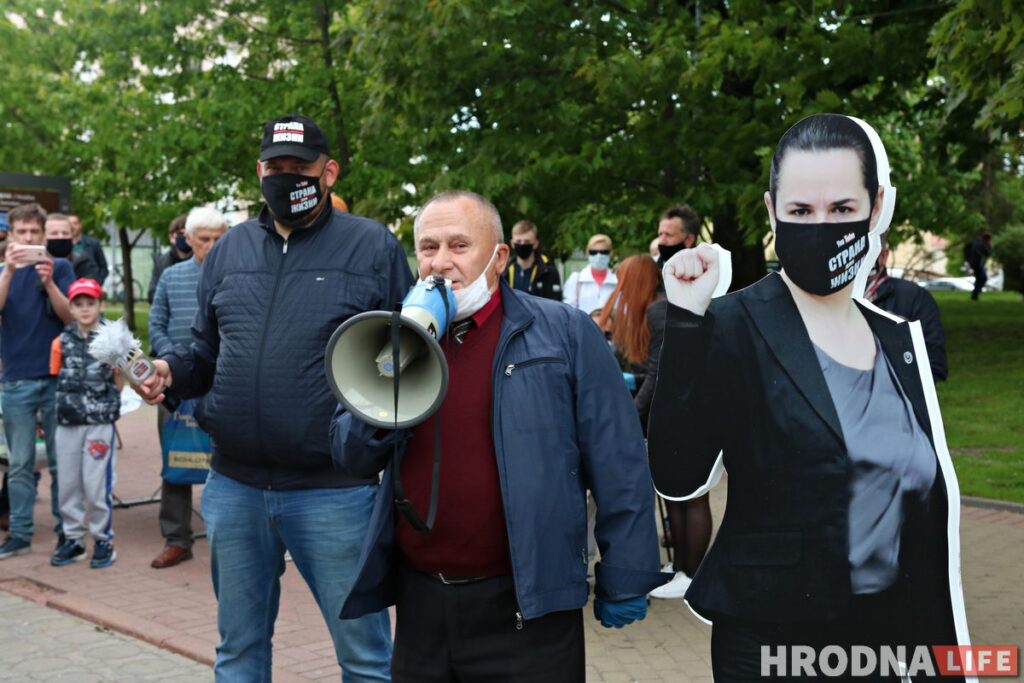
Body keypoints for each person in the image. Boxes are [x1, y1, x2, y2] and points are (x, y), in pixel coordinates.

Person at [649, 114, 972, 680]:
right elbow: (677, 473)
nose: (821, 226)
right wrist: (686, 320)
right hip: (774, 643)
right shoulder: (729, 324)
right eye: (801, 211)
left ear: (875, 209)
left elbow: (924, 504)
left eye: (842, 209)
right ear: (773, 211)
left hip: (891, 644)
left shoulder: (898, 340)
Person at [332, 191, 668, 683]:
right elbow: (349, 453)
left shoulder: (564, 334)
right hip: (423, 603)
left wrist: (628, 572)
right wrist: (393, 365)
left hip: (526, 605)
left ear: (500, 256)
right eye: (427, 248)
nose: (440, 263)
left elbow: (618, 461)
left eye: (459, 245)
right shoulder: (390, 337)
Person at [134, 114, 411, 681]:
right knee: (238, 653)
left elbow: (402, 358)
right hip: (234, 488)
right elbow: (204, 351)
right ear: (259, 171)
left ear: (328, 172)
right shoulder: (231, 250)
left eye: (300, 167)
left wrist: (367, 441)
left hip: (333, 492)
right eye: (275, 167)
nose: (286, 178)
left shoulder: (371, 245)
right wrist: (168, 370)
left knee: (365, 659)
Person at [147, 206, 229, 569]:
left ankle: (227, 535)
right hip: (176, 382)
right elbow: (156, 323)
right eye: (204, 239)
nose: (211, 246)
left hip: (224, 383)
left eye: (218, 239)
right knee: (175, 459)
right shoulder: (172, 276)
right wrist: (172, 364)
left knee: (227, 459)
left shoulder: (237, 277)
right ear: (188, 239)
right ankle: (177, 538)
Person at [0, 203, 74, 560]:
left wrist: (48, 283)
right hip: (16, 379)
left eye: (34, 233)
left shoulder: (59, 267)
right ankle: (20, 533)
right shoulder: (4, 270)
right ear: (11, 236)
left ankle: (66, 531)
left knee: (62, 462)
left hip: (57, 376)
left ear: (43, 235)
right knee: (20, 464)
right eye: (21, 233)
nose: (28, 239)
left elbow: (71, 316)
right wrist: (9, 272)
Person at [49, 278, 122, 568]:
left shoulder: (112, 340)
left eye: (90, 303)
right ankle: (73, 539)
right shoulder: (62, 340)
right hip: (68, 420)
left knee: (95, 484)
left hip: (99, 421)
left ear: (100, 305)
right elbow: (56, 377)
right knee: (68, 483)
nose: (84, 309)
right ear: (71, 307)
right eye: (78, 304)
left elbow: (119, 382)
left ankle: (103, 539)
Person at [865, 243, 948, 382]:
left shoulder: (914, 296)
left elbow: (935, 365)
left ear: (884, 256)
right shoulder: (828, 300)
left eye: (866, 252)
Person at [504, 219, 562, 300]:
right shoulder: (503, 270)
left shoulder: (548, 272)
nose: (522, 244)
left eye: (527, 242)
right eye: (518, 241)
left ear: (535, 244)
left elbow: (555, 304)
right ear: (512, 243)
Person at [563, 234, 617, 313]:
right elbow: (568, 310)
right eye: (593, 252)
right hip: (583, 325)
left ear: (611, 253)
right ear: (587, 253)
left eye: (604, 252)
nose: (599, 256)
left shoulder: (618, 281)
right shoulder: (576, 280)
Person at [147, 215, 190, 303]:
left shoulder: (201, 261)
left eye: (188, 234)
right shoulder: (161, 262)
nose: (185, 238)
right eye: (180, 234)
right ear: (171, 237)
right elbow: (152, 295)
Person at [68, 214, 110, 285]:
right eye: (69, 224)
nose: (72, 227)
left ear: (80, 225)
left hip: (90, 288)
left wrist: (97, 282)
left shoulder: (94, 244)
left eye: (75, 223)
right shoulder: (62, 245)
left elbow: (103, 267)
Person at [965, 231, 993, 301]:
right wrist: (989, 245)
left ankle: (976, 292)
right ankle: (975, 293)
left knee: (981, 278)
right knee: (981, 278)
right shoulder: (982, 244)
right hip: (977, 264)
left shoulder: (976, 243)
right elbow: (987, 253)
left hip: (975, 263)